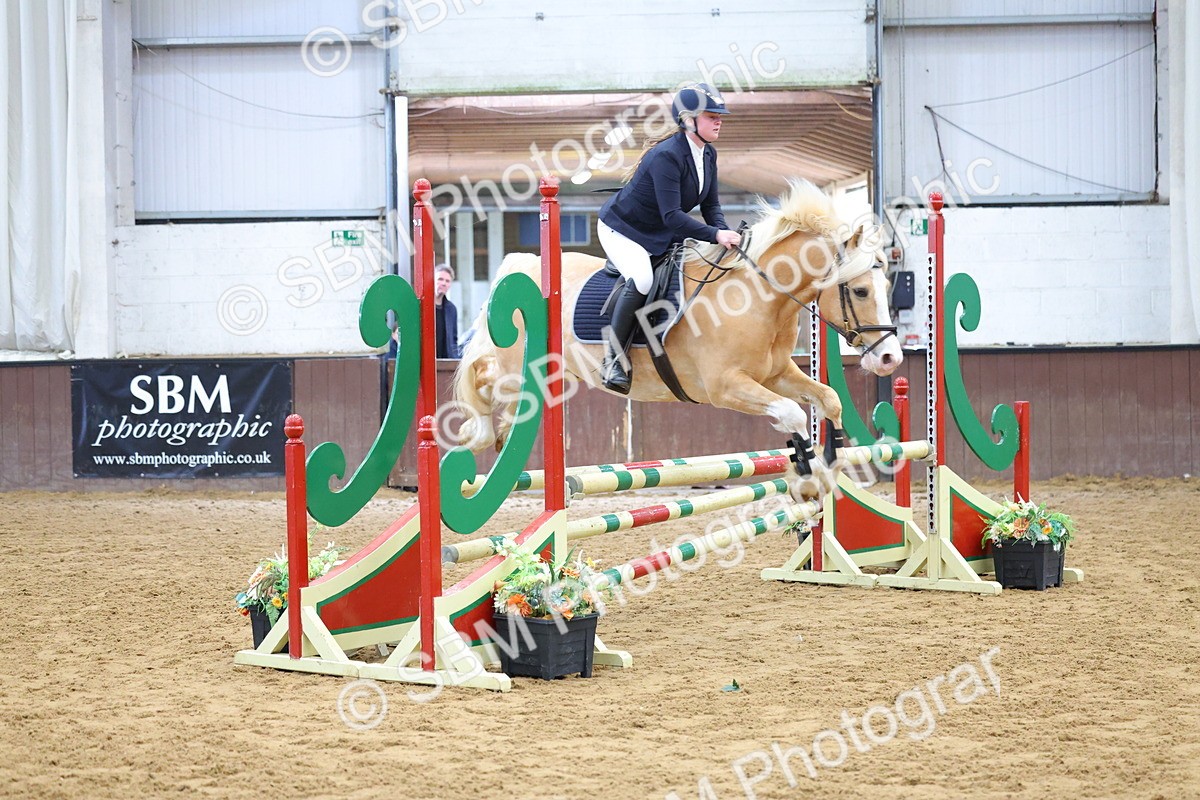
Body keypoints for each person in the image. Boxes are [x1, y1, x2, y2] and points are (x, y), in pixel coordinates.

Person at [596, 82, 742, 395]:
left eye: (719, 115)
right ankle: (613, 359)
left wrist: (724, 237)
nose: (719, 120)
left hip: (660, 232)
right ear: (689, 120)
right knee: (643, 279)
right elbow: (672, 216)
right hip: (623, 230)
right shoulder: (667, 156)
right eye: (710, 115)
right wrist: (715, 234)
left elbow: (711, 206)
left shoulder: (708, 154)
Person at [389, 263, 461, 360]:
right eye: (440, 279)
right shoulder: (418, 305)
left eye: (447, 281)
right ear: (433, 281)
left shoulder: (451, 309)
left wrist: (454, 360)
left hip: (443, 363)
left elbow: (453, 340)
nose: (444, 283)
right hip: (421, 360)